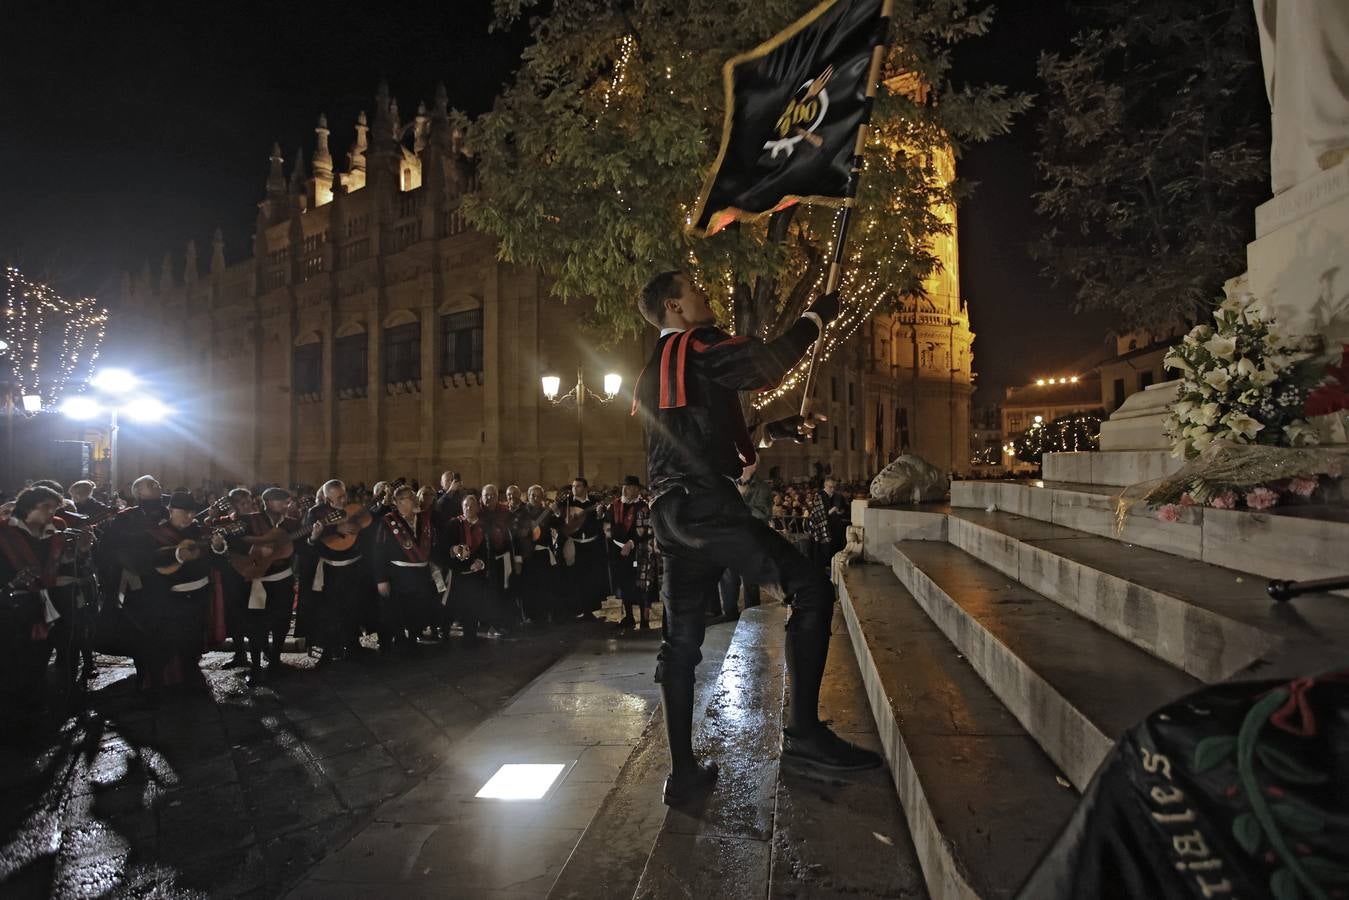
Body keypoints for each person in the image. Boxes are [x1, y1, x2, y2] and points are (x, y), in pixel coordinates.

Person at [632, 270, 880, 805]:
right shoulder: (698, 343)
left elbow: (703, 430)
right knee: (811, 591)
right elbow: (764, 363)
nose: (708, 297)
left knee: (679, 644)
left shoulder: (654, 371)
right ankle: (805, 736)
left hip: (669, 514)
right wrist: (817, 316)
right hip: (705, 506)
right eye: (696, 292)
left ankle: (682, 776)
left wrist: (778, 428)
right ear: (675, 307)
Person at [0, 486, 67, 731]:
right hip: (10, 606)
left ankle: (33, 706)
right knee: (11, 658)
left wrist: (80, 550)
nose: (52, 512)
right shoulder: (5, 532)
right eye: (46, 507)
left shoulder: (55, 532)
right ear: (29, 507)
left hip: (44, 602)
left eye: (55, 508)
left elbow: (62, 566)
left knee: (39, 656)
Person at [224, 486, 300, 683]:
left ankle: (275, 662)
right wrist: (256, 548)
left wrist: (314, 536)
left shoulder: (292, 524)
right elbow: (233, 542)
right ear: (267, 502)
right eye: (280, 500)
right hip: (259, 581)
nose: (286, 503)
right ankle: (256, 667)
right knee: (257, 626)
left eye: (287, 500)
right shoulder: (250, 520)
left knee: (282, 623)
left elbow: (301, 546)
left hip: (283, 579)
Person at [370, 483, 439, 653]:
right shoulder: (388, 522)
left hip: (420, 574)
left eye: (406, 499)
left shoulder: (424, 520)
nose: (402, 503)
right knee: (397, 610)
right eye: (399, 500)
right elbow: (379, 552)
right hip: (398, 574)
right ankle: (399, 640)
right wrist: (381, 579)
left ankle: (413, 639)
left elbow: (433, 545)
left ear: (414, 500)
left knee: (417, 609)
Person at [304, 479, 366, 664]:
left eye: (344, 495)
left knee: (353, 608)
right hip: (330, 569)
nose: (343, 499)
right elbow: (309, 542)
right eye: (338, 497)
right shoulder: (316, 513)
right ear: (327, 498)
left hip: (353, 566)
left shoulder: (353, 509)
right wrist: (333, 530)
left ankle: (353, 646)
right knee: (330, 611)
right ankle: (328, 650)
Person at [718, 467, 773, 619]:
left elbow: (764, 513)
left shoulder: (761, 487)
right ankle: (729, 614)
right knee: (728, 580)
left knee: (750, 582)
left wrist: (740, 506)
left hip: (751, 540)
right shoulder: (727, 483)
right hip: (729, 539)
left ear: (754, 466)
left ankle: (752, 615)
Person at [443, 493, 491, 642]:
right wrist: (453, 550)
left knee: (472, 606)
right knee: (451, 605)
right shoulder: (454, 524)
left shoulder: (484, 526)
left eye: (471, 505)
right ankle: (444, 634)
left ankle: (471, 636)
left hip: (474, 574)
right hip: (456, 573)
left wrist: (481, 562)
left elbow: (488, 551)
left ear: (477, 507)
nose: (468, 508)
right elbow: (444, 546)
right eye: (465, 506)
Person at [607, 475, 652, 632]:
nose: (625, 490)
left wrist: (631, 543)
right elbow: (609, 525)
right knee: (625, 585)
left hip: (639, 551)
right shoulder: (615, 505)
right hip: (619, 552)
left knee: (641, 585)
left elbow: (646, 530)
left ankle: (644, 620)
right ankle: (629, 617)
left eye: (630, 487)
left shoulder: (643, 507)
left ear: (637, 490)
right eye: (624, 486)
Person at [561, 476, 607, 620]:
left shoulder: (594, 503)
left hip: (591, 544)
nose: (575, 489)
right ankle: (577, 609)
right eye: (573, 486)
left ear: (585, 488)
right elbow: (561, 522)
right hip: (575, 544)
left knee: (591, 578)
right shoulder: (568, 503)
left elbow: (601, 523)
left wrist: (600, 515)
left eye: (578, 486)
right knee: (576, 578)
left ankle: (589, 610)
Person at [512, 484, 558, 624]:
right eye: (532, 495)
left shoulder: (546, 512)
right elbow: (516, 534)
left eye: (538, 496)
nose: (535, 498)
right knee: (528, 585)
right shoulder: (521, 513)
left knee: (543, 584)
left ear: (542, 498)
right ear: (528, 496)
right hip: (527, 554)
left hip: (543, 554)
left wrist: (558, 513)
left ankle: (544, 613)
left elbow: (560, 524)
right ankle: (529, 614)